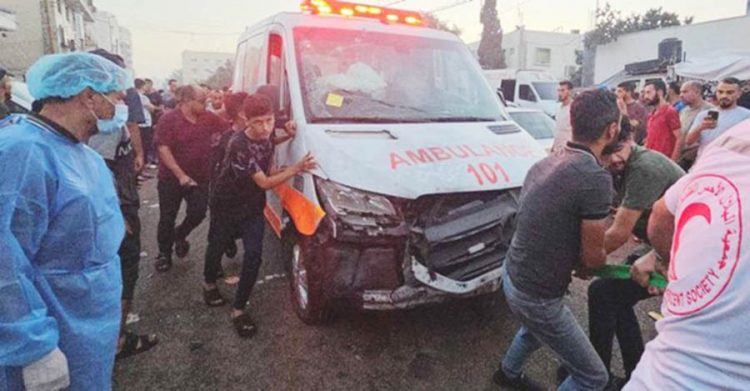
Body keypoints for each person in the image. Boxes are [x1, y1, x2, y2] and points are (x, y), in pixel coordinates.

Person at [0, 52, 130, 390]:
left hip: (88, 318)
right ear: (89, 96)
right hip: (52, 322)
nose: (121, 103)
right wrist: (33, 347)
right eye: (116, 95)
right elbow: (4, 262)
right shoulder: (20, 151)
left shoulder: (83, 153)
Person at [493, 89, 620, 391]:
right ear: (611, 130)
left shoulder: (546, 162)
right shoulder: (594, 177)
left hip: (512, 275)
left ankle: (507, 374)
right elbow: (592, 259)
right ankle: (508, 374)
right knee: (593, 378)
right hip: (536, 295)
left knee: (534, 329)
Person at [625, 118, 750, 389]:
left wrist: (665, 258)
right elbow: (662, 214)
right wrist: (664, 259)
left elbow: (657, 216)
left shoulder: (735, 136)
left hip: (658, 377)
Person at [203, 93, 316, 337]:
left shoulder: (267, 134)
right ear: (246, 120)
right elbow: (264, 182)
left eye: (269, 120)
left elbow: (274, 140)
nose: (265, 127)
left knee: (254, 255)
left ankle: (239, 308)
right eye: (258, 122)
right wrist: (296, 168)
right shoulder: (237, 145)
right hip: (226, 205)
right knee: (217, 245)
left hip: (252, 206)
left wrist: (290, 130)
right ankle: (208, 283)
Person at [586, 120, 685, 388]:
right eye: (607, 153)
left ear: (631, 139)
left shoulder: (644, 166)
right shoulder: (623, 167)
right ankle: (626, 373)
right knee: (612, 296)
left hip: (683, 251)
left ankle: (596, 378)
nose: (614, 158)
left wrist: (585, 261)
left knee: (602, 293)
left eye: (618, 149)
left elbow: (618, 233)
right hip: (660, 246)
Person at [154, 85, 228, 272]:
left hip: (200, 176)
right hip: (171, 178)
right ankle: (164, 253)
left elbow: (230, 129)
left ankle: (180, 234)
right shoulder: (168, 120)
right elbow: (163, 148)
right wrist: (180, 175)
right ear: (187, 101)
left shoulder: (208, 118)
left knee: (198, 212)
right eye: (202, 101)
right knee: (167, 217)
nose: (206, 104)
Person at [684, 77, 750, 160]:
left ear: (739, 93)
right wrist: (700, 127)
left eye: (730, 92)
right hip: (706, 162)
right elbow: (688, 142)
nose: (724, 95)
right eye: (720, 92)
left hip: (733, 164)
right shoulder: (704, 115)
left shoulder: (747, 116)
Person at [675, 80, 713, 170]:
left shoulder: (710, 111)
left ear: (697, 92)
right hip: (682, 154)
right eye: (680, 92)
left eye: (685, 92)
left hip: (698, 158)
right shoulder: (684, 111)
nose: (681, 95)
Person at [643, 80, 682, 161]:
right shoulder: (652, 114)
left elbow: (680, 138)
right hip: (652, 159)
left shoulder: (669, 111)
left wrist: (673, 161)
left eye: (648, 92)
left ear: (660, 92)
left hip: (664, 161)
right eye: (645, 93)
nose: (645, 96)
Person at [135, 78, 158, 171]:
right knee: (145, 146)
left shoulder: (133, 96)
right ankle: (142, 167)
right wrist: (159, 108)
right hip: (145, 124)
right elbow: (151, 108)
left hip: (138, 124)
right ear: (142, 86)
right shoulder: (142, 97)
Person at [551, 80, 574, 153]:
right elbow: (558, 130)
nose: (560, 93)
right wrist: (553, 146)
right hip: (557, 149)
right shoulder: (558, 108)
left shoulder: (574, 108)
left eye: (563, 90)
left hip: (568, 149)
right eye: (559, 90)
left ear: (569, 91)